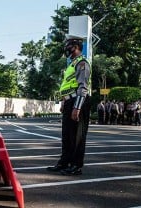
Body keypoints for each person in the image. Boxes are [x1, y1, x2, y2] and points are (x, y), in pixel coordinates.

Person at [47, 34, 91, 176]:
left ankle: (76, 165)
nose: (66, 48)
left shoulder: (82, 63)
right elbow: (68, 86)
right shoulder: (72, 64)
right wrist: (64, 102)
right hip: (69, 101)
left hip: (79, 101)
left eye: (69, 45)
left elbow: (82, 87)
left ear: (76, 47)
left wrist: (77, 107)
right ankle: (64, 162)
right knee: (66, 135)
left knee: (77, 136)